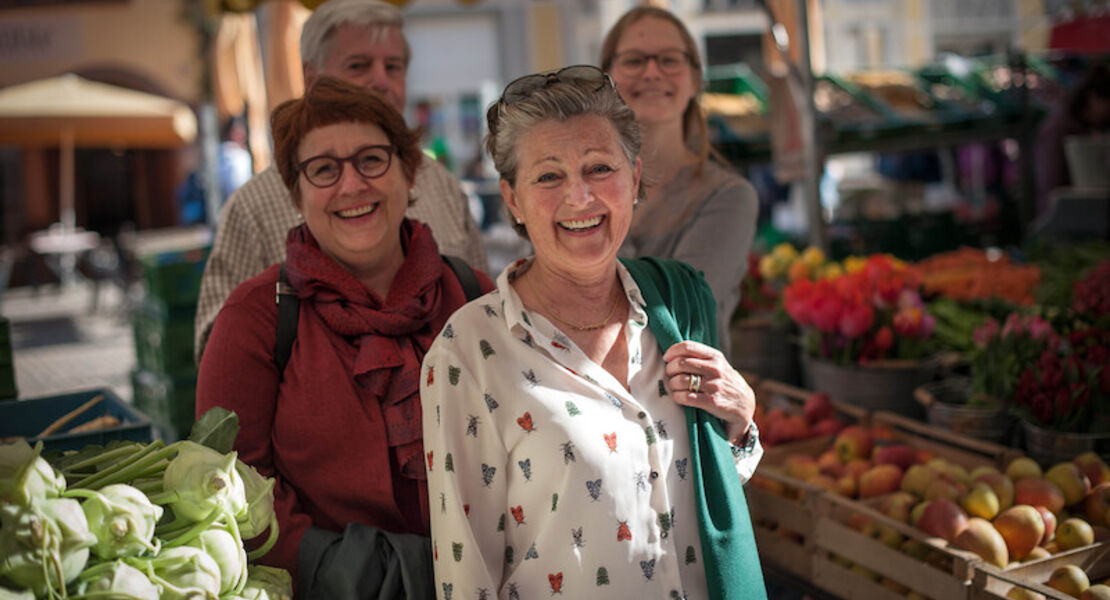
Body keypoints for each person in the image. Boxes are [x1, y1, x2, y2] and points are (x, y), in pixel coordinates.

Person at [421, 66, 766, 600]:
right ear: (512, 199)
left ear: (634, 178)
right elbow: (466, 575)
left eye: (599, 168)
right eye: (548, 177)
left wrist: (741, 426)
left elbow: (693, 498)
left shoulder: (676, 307)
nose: (580, 197)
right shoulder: (468, 353)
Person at [195, 76, 494, 598]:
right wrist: (347, 570)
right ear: (297, 193)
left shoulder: (474, 296)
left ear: (410, 171)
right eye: (324, 169)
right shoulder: (254, 318)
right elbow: (227, 484)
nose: (352, 185)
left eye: (371, 160)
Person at [194, 0, 488, 363]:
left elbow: (485, 314)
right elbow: (218, 352)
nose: (381, 81)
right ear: (311, 78)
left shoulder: (442, 185)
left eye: (393, 66)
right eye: (358, 65)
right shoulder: (252, 207)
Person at [601, 6, 759, 358]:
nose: (652, 72)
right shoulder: (585, 191)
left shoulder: (729, 197)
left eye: (669, 60)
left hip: (684, 390)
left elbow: (677, 312)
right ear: (607, 77)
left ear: (695, 79)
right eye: (634, 61)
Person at [1035, 61, 1110, 214]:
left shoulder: (1083, 127)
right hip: (1064, 217)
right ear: (1093, 97)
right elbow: (1053, 185)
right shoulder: (1059, 129)